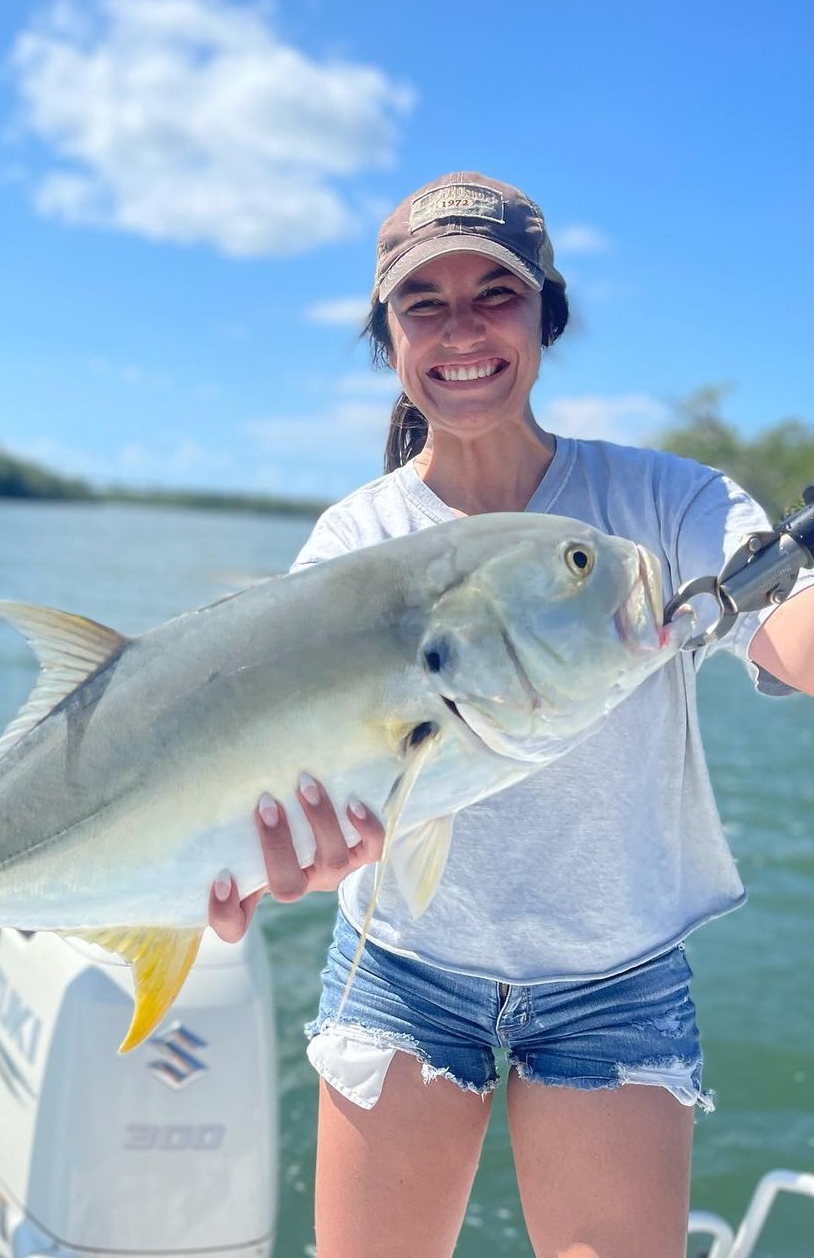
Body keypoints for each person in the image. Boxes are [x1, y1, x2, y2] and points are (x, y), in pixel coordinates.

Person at [206, 172, 814, 1258]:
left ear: (546, 314)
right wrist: (271, 862)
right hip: (399, 963)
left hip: (612, 975)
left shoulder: (659, 504)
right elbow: (277, 768)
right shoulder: (352, 543)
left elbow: (791, 636)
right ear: (387, 334)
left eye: (494, 292)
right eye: (420, 303)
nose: (460, 330)